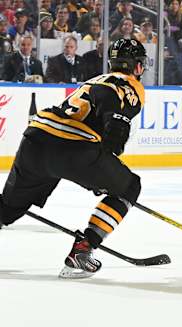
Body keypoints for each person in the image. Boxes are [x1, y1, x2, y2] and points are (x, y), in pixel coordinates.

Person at [0, 38, 147, 278]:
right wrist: (103, 169)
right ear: (136, 66)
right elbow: (115, 129)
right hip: (73, 148)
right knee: (129, 187)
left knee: (7, 210)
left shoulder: (94, 79)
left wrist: (100, 170)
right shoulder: (130, 85)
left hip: (35, 140)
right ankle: (82, 251)